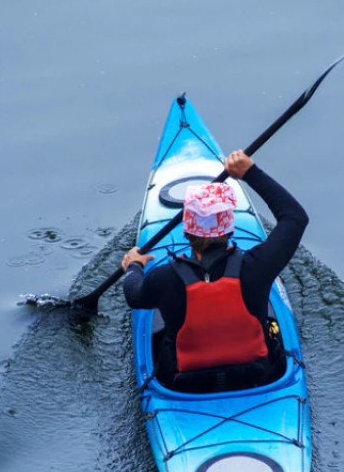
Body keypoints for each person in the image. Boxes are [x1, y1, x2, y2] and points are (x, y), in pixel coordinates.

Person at [121, 150, 308, 390]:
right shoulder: (258, 266)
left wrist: (134, 265)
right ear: (230, 229)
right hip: (257, 376)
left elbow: (133, 295)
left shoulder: (164, 278)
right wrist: (251, 172)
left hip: (187, 385)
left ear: (186, 232)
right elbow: (295, 218)